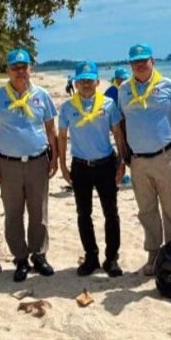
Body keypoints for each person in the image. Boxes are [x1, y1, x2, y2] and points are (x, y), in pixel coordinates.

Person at [0, 48, 58, 282]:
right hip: (8, 164)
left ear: (30, 68)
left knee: (39, 212)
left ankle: (39, 255)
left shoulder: (42, 95)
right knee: (13, 213)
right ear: (7, 70)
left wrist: (55, 157)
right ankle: (20, 258)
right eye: (14, 67)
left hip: (38, 162)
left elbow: (50, 129)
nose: (19, 71)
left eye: (23, 67)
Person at [117, 43, 171, 276]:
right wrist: (124, 153)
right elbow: (121, 121)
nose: (140, 65)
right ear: (130, 64)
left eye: (144, 60)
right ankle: (154, 253)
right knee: (146, 210)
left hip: (164, 156)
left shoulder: (167, 85)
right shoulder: (124, 89)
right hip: (137, 160)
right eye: (135, 61)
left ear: (152, 61)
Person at [57, 60, 127, 277]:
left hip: (106, 164)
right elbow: (62, 137)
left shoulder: (108, 104)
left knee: (111, 213)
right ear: (75, 83)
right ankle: (91, 257)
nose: (86, 84)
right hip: (81, 166)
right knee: (83, 214)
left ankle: (112, 258)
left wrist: (122, 162)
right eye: (82, 81)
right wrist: (62, 164)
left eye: (90, 80)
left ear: (97, 82)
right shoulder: (68, 107)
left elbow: (118, 134)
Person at [105, 66, 132, 186]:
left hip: (127, 124)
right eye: (122, 79)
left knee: (127, 150)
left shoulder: (126, 88)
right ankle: (120, 174)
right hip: (116, 125)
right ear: (116, 79)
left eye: (126, 78)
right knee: (122, 150)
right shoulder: (111, 92)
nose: (124, 80)